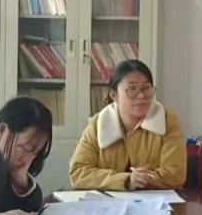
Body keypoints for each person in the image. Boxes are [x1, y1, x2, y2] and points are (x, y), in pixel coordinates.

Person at [68, 60, 185, 190]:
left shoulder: (167, 122)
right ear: (114, 95)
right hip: (107, 201)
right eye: (132, 89)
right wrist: (126, 180)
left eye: (146, 88)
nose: (141, 95)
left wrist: (140, 179)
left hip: (156, 200)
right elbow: (78, 172)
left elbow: (176, 175)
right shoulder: (98, 124)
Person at [0, 96, 53, 215]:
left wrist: (22, 183)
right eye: (25, 148)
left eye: (36, 152)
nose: (29, 158)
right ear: (2, 131)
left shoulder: (13, 169)